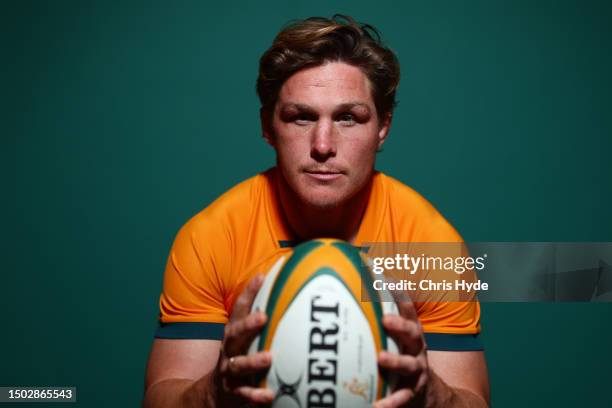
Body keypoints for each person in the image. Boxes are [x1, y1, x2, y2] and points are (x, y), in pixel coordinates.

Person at [143, 15, 489, 408]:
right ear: (268, 126)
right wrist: (214, 392)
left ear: (383, 127)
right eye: (301, 116)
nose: (323, 145)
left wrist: (431, 395)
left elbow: (472, 400)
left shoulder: (432, 247)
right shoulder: (211, 238)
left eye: (348, 118)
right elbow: (162, 396)